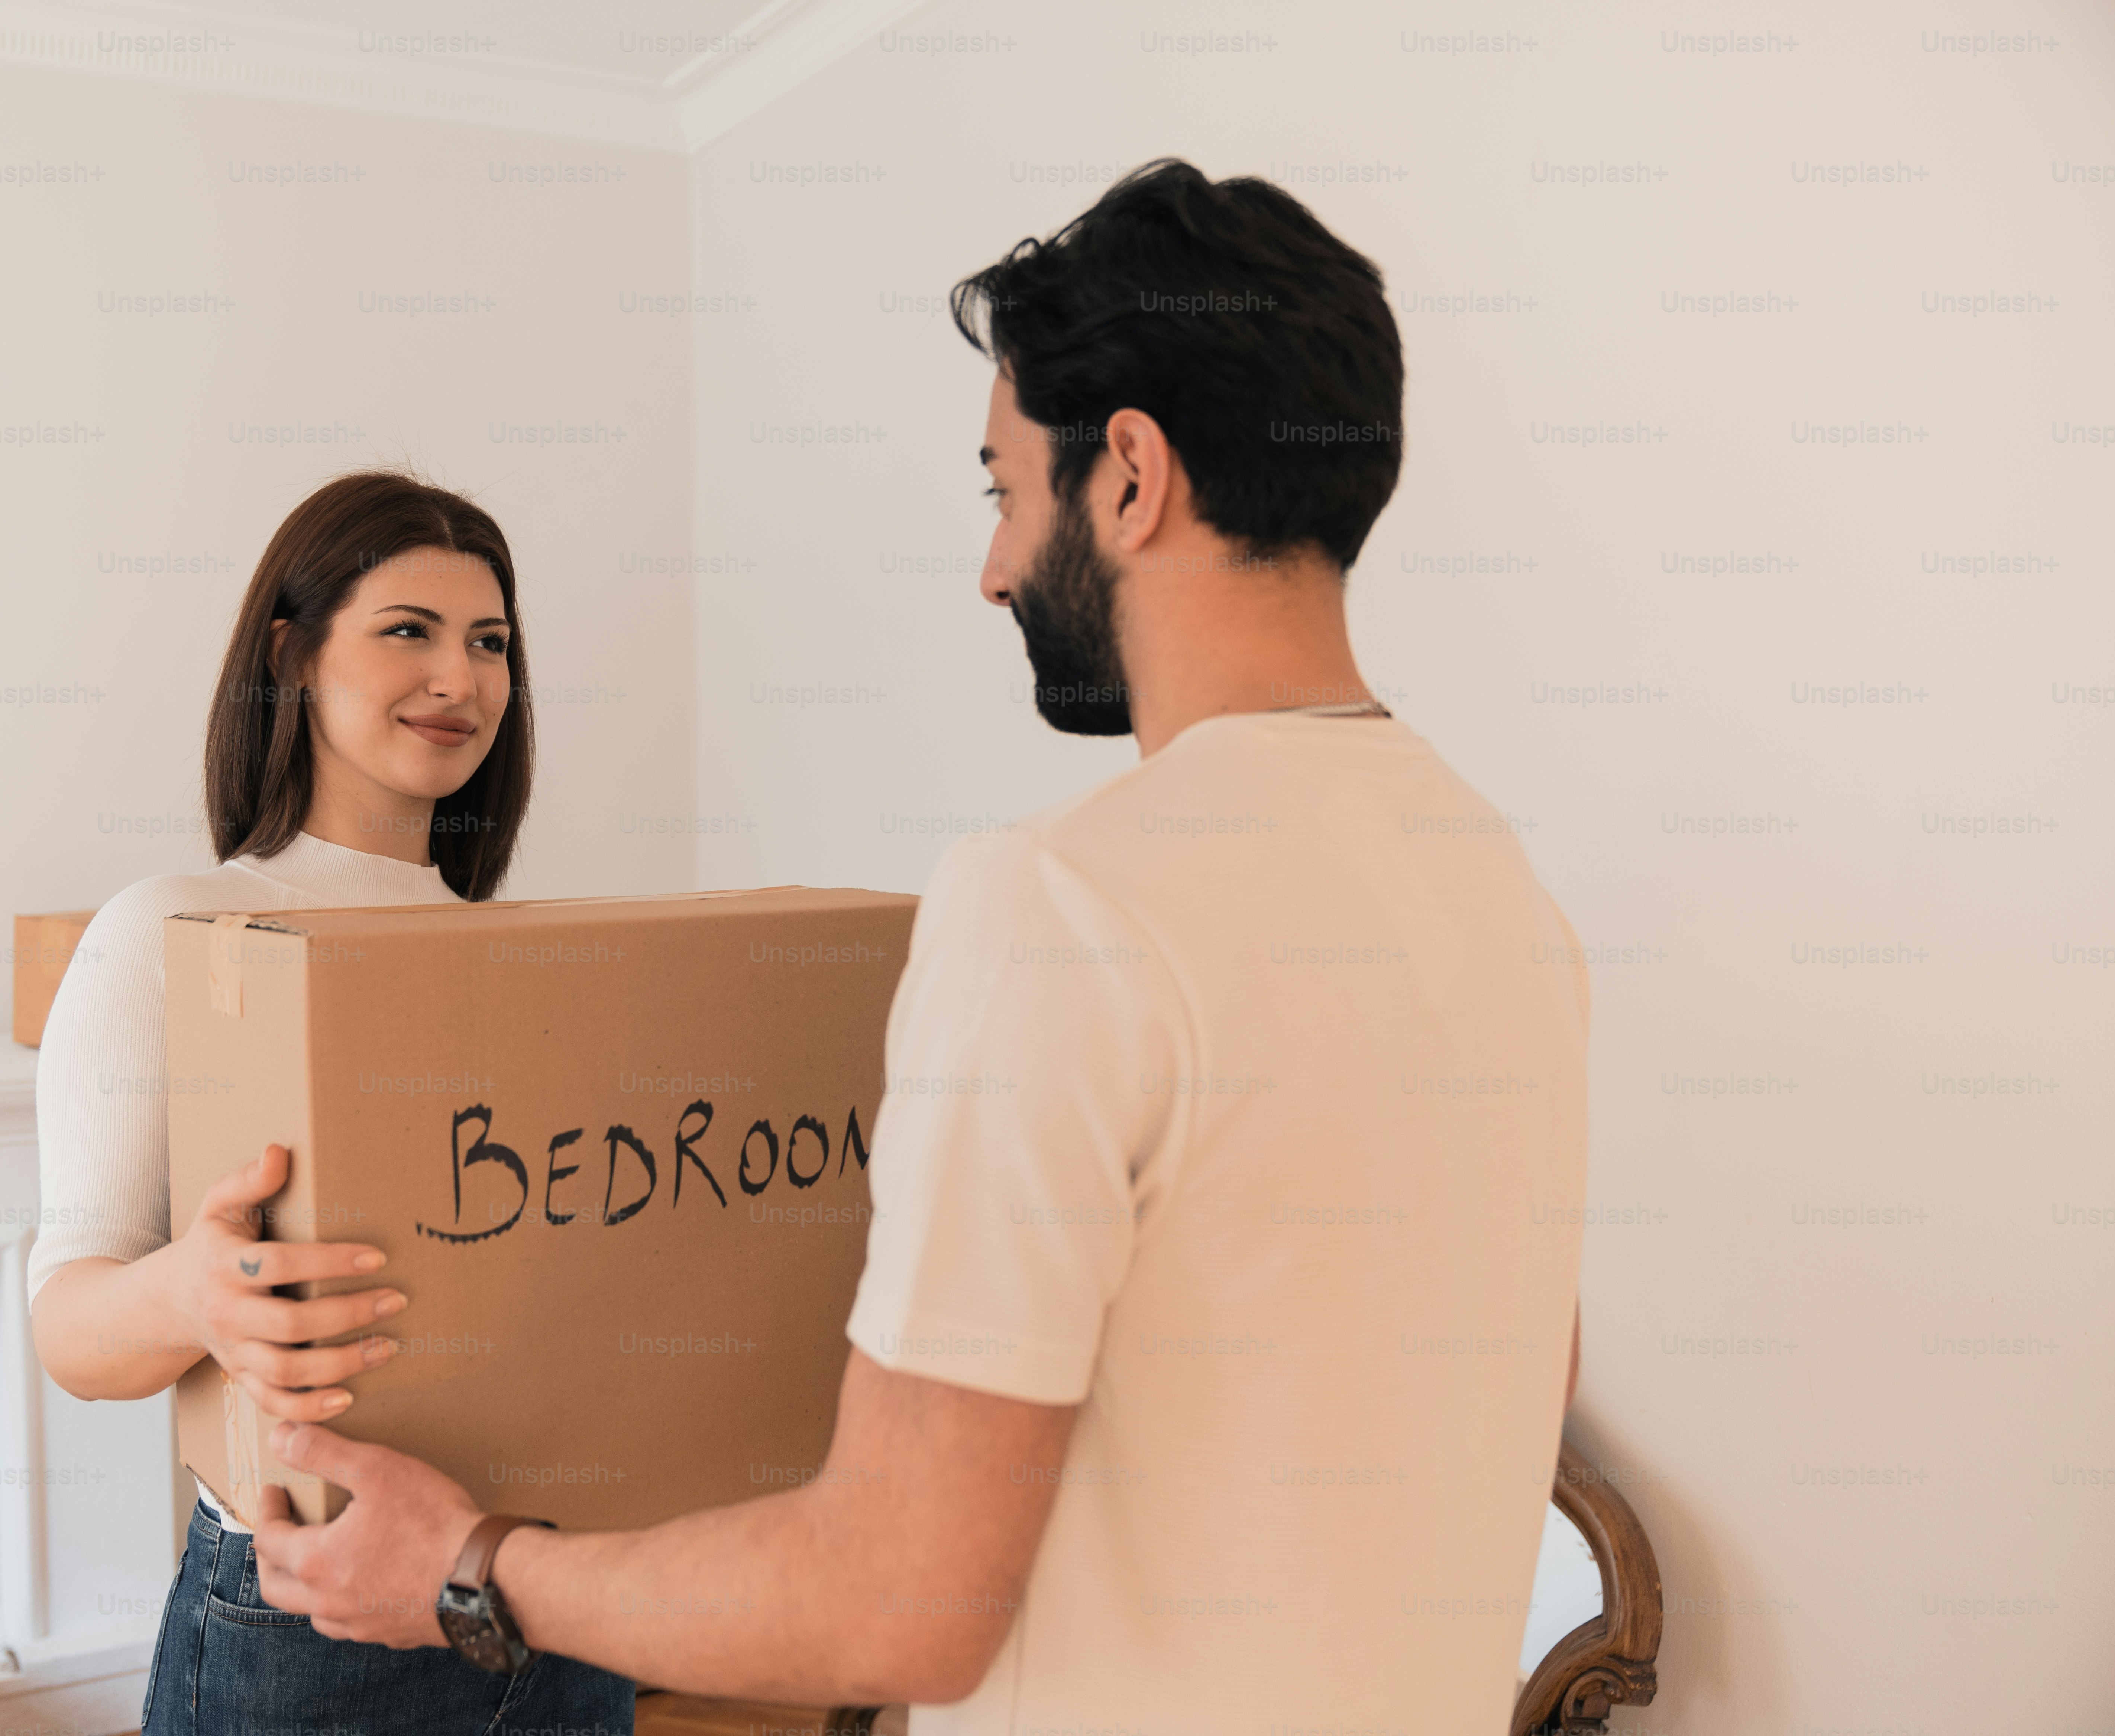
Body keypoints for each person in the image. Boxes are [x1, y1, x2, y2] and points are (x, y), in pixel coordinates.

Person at [249, 161, 1591, 1732]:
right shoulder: (1503, 897)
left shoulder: (1063, 904)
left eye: (1005, 487)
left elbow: (894, 1601)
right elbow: (1508, 1392)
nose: (997, 566)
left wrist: (475, 1566)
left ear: (1132, 477)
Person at [26, 472, 634, 1736]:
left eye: (491, 644)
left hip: (547, 1584)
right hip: (309, 1613)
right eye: (408, 630)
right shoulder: (171, 932)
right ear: (293, 656)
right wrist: (193, 1291)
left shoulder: (541, 957)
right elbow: (70, 1333)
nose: (459, 680)